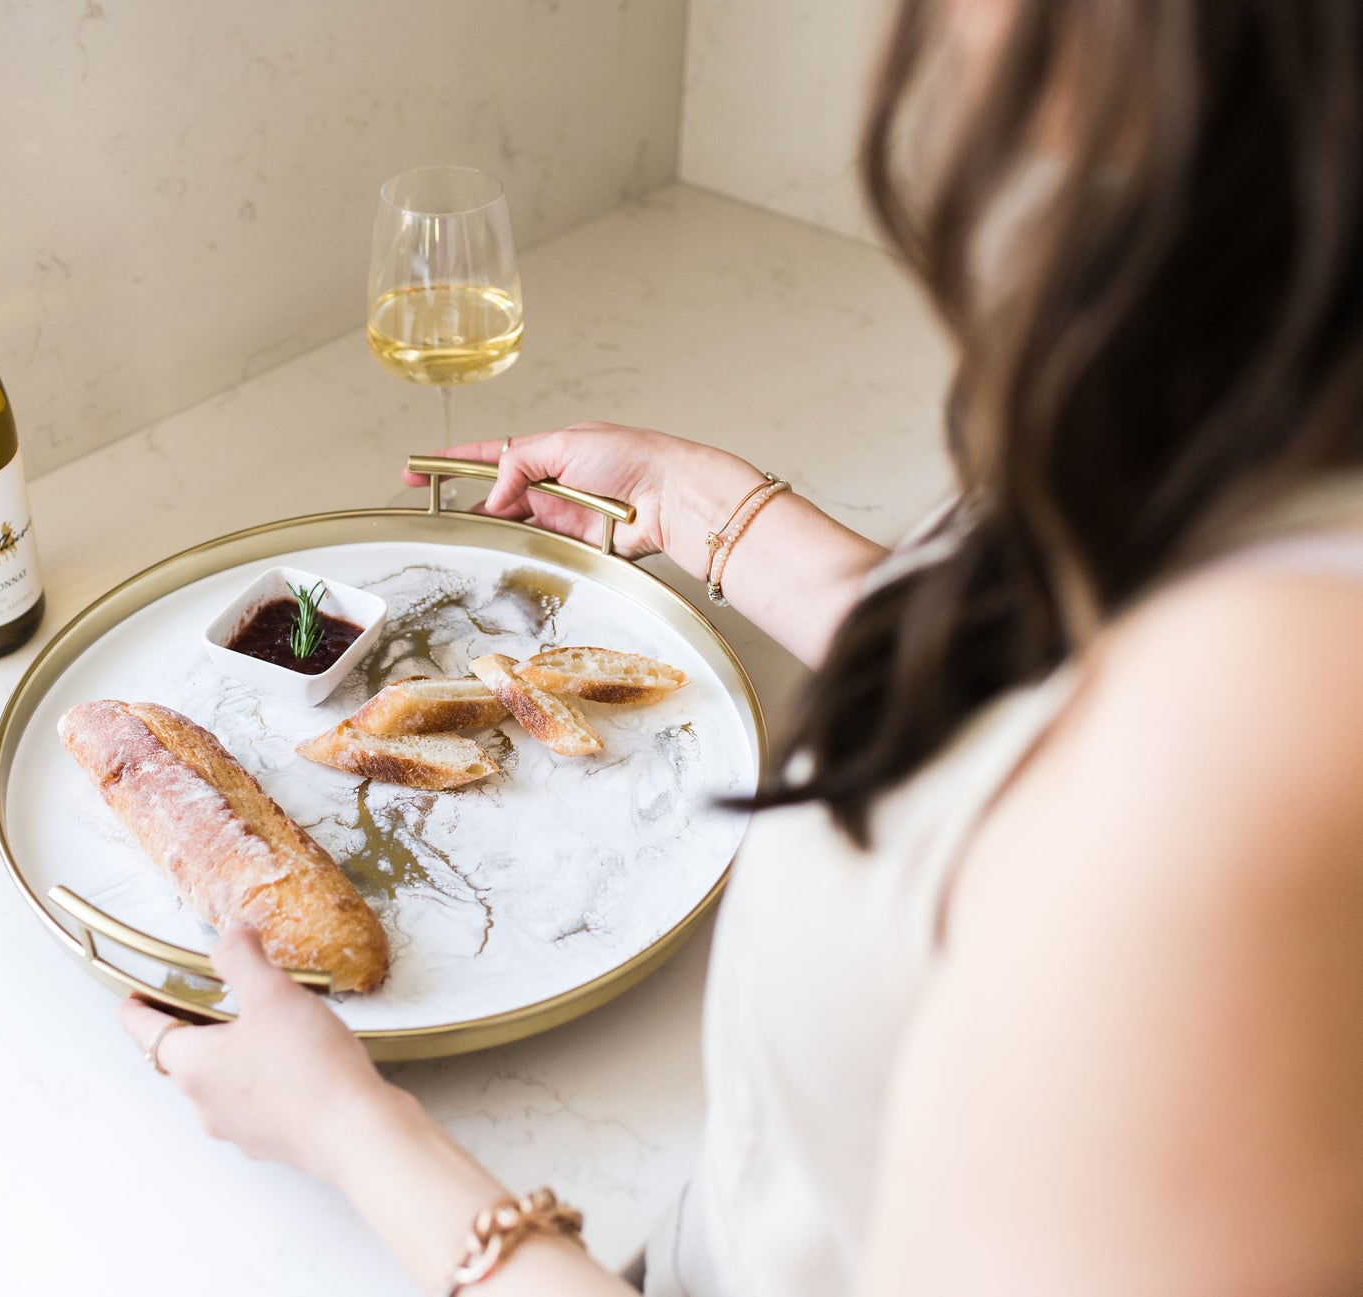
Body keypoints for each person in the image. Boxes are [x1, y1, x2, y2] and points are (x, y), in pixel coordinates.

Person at [120, 1, 1363, 1292]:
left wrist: (348, 1130)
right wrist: (707, 508)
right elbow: (1038, 688)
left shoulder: (1258, 788)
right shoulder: (1251, 361)